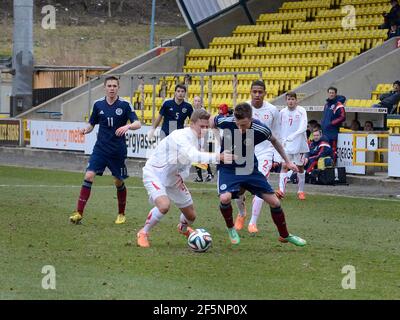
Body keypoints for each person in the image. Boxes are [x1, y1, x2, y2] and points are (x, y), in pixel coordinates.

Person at [210, 102, 307, 247]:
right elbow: (212, 120)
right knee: (225, 198)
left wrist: (287, 161)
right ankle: (231, 229)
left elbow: (275, 141)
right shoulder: (228, 120)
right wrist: (218, 148)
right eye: (238, 125)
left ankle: (285, 235)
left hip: (249, 169)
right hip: (228, 169)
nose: (240, 129)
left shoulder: (260, 128)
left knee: (275, 202)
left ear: (251, 119)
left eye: (243, 125)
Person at [137, 109, 234, 248]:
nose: (205, 130)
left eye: (207, 127)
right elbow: (194, 156)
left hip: (174, 177)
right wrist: (218, 157)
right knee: (164, 206)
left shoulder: (199, 138)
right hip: (155, 173)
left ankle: (182, 228)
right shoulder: (180, 136)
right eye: (202, 126)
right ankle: (143, 232)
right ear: (191, 124)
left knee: (191, 216)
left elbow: (196, 158)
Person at [70, 76, 141, 225]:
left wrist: (127, 126)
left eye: (114, 86)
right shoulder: (98, 105)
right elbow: (91, 124)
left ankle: (121, 214)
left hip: (117, 150)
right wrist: (85, 130)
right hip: (100, 149)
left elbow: (138, 123)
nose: (112, 88)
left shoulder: (125, 105)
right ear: (105, 87)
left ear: (118, 88)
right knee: (89, 175)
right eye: (109, 85)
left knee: (118, 181)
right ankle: (79, 213)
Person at [233, 80, 280, 234]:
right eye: (255, 92)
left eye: (260, 92)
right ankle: (241, 214)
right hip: (245, 151)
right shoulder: (243, 108)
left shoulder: (273, 110)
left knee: (261, 186)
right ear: (250, 92)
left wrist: (277, 156)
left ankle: (253, 222)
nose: (257, 95)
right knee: (239, 189)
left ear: (265, 93)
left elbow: (275, 135)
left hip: (265, 151)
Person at [276, 92, 309, 200]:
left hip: (300, 144)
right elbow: (279, 127)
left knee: (300, 167)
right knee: (284, 166)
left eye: (292, 99)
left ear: (296, 100)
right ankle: (281, 191)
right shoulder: (282, 112)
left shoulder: (301, 111)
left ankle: (301, 191)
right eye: (289, 99)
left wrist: (293, 135)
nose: (290, 101)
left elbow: (304, 126)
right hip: (286, 144)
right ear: (286, 100)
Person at [321, 86, 346, 163]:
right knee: (325, 150)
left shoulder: (338, 105)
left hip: (333, 132)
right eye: (330, 93)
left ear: (335, 94)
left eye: (333, 93)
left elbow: (342, 117)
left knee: (333, 150)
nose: (331, 94)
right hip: (325, 132)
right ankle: (325, 167)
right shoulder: (326, 105)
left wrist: (332, 123)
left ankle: (333, 166)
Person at [193, 95, 214, 182]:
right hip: (196, 136)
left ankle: (209, 173)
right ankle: (200, 176)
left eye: (198, 101)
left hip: (203, 136)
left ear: (201, 103)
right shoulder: (193, 111)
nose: (196, 103)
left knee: (202, 155)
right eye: (195, 101)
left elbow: (208, 123)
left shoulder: (203, 112)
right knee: (196, 156)